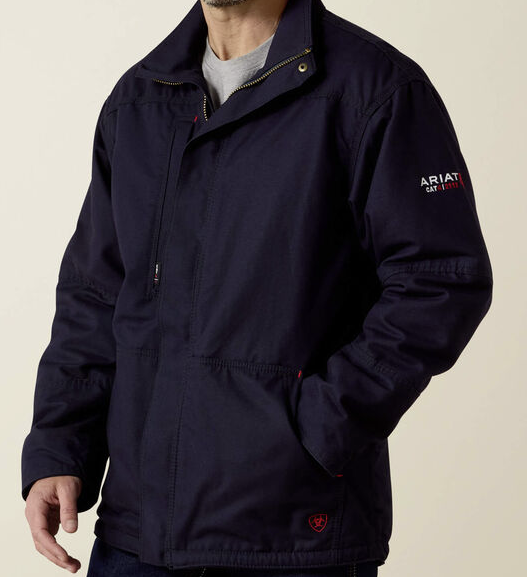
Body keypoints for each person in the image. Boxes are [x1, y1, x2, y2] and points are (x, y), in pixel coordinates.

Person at [21, 0, 493, 575]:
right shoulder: (140, 99)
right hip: (137, 537)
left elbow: (440, 279)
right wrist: (60, 448)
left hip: (292, 537)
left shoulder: (375, 90)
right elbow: (95, 295)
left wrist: (317, 428)